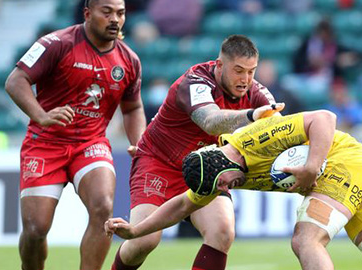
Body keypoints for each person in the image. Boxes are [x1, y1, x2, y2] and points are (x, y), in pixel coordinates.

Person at [106, 111, 362, 270]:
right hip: (352, 179)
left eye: (224, 184)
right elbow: (181, 206)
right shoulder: (213, 175)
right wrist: (136, 230)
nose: (227, 191)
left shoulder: (252, 139)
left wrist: (312, 167)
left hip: (345, 165)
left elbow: (324, 119)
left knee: (305, 240)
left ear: (222, 166)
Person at [110, 35, 283, 270]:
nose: (245, 80)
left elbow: (278, 131)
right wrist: (252, 116)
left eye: (251, 72)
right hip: (159, 162)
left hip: (205, 168)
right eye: (239, 71)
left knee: (222, 231)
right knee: (143, 240)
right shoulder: (194, 82)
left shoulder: (257, 93)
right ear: (219, 65)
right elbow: (211, 122)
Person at [4, 0, 145, 269]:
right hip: (45, 144)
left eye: (120, 13)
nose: (115, 19)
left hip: (90, 143)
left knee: (103, 207)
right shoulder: (55, 43)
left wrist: (139, 143)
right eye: (107, 12)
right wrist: (41, 116)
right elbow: (15, 80)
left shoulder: (129, 60)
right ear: (87, 13)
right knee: (36, 230)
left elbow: (133, 107)